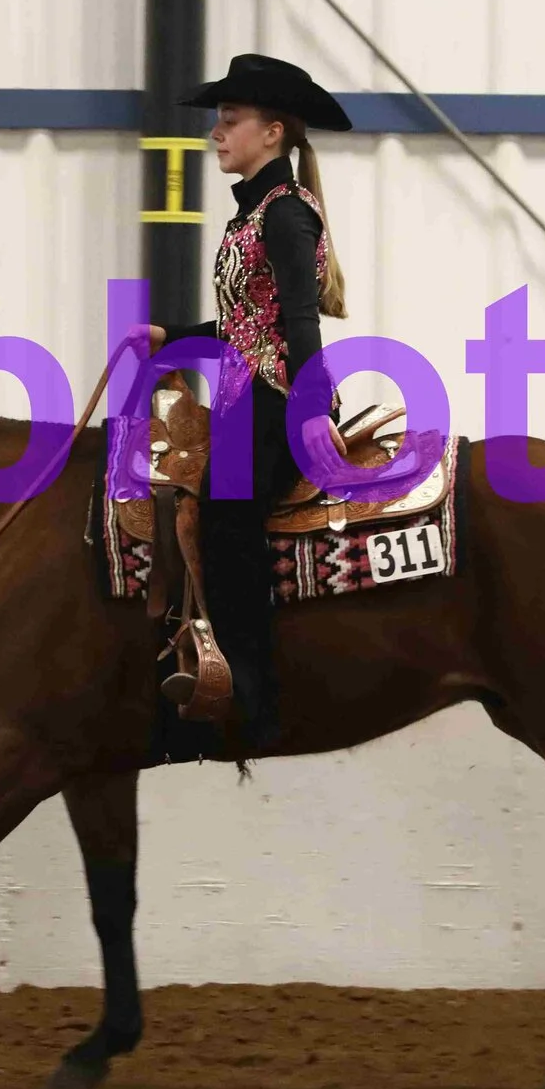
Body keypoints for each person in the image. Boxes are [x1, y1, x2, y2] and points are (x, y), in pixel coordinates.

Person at [142, 53, 351, 753]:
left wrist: (312, 410)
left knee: (227, 520)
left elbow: (298, 318)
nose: (217, 133)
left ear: (273, 131)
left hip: (280, 399)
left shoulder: (284, 213)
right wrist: (171, 336)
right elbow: (242, 325)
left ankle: (251, 695)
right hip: (249, 394)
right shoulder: (253, 213)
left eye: (230, 121)